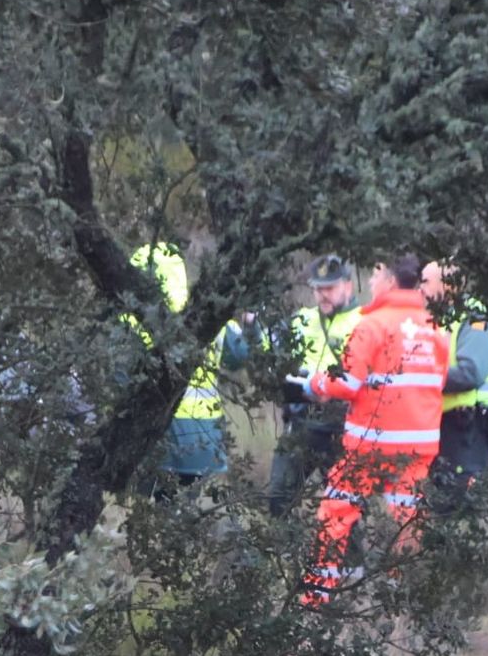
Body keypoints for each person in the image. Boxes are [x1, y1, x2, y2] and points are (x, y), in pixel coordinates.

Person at [293, 255, 448, 603]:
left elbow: (346, 383)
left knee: (337, 510)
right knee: (409, 518)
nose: (372, 283)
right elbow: (439, 380)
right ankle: (412, 597)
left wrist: (314, 384)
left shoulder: (372, 325)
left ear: (390, 281)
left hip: (372, 444)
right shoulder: (435, 326)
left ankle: (318, 595)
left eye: (376, 275)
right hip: (420, 445)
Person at [126, 242, 250, 492]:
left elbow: (118, 379)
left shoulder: (134, 322)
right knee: (180, 519)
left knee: (147, 522)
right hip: (204, 445)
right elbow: (239, 356)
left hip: (160, 443)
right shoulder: (209, 314)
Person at [266, 254, 362, 517]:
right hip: (301, 422)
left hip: (342, 427)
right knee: (278, 499)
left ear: (348, 286)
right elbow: (271, 356)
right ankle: (285, 555)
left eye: (329, 288)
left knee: (344, 510)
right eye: (318, 289)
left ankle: (350, 559)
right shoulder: (302, 319)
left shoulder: (364, 322)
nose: (323, 295)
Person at [421, 261, 488, 511]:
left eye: (425, 282)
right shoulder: (440, 321)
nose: (419, 289)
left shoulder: (477, 323)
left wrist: (420, 379)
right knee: (434, 515)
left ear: (449, 286)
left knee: (456, 513)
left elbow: (471, 373)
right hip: (442, 431)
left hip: (467, 434)